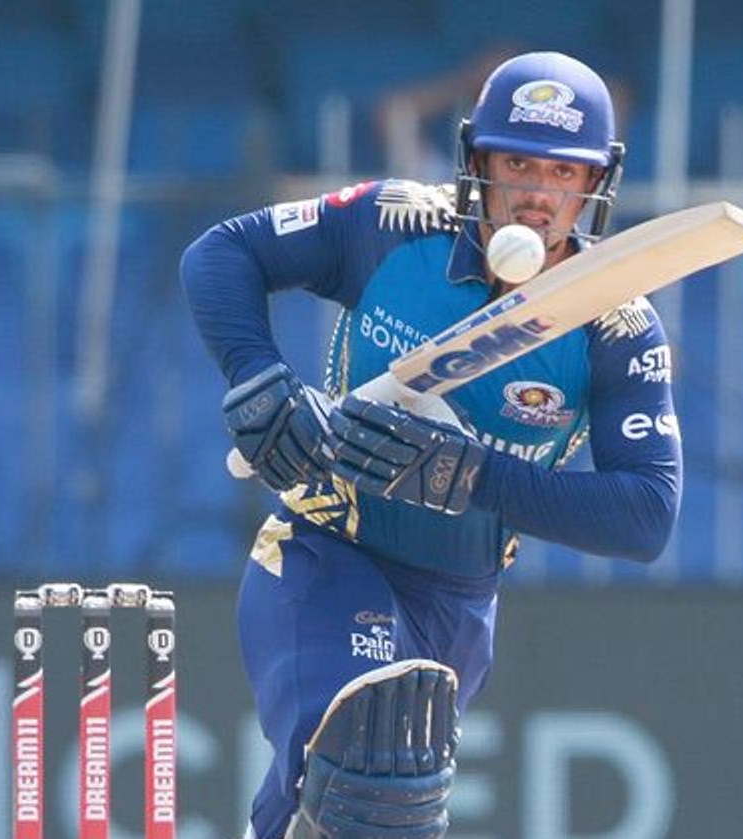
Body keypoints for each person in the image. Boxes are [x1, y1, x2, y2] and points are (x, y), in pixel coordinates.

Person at [181, 50, 681, 839]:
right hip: (328, 550)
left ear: (595, 182)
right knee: (364, 782)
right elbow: (220, 253)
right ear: (477, 162)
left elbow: (646, 515)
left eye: (563, 172)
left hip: (459, 603)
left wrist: (468, 474)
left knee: (332, 811)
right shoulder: (393, 225)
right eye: (519, 164)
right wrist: (259, 377)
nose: (538, 193)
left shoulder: (616, 323)